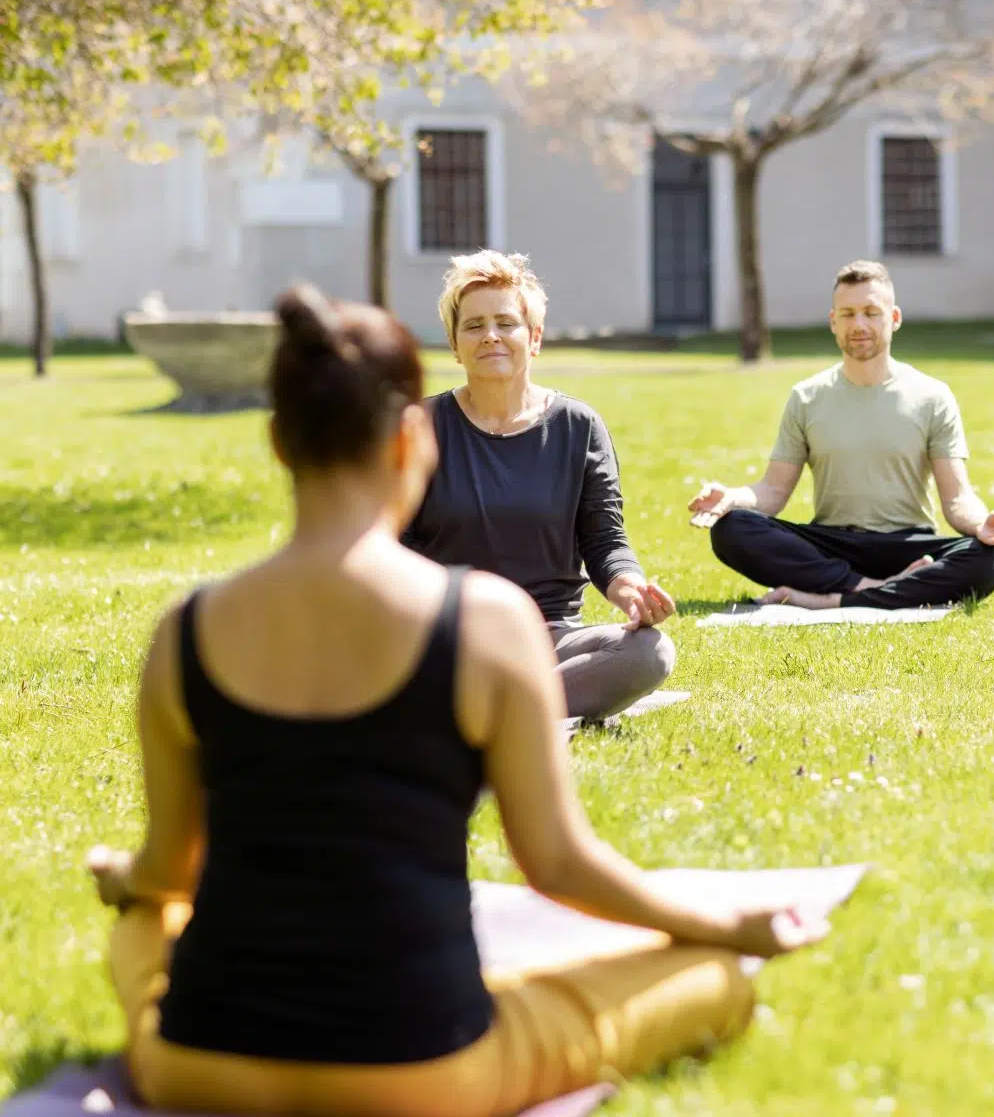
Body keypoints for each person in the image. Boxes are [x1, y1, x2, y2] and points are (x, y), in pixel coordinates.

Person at [83, 286, 824, 1117]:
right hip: (420, 1075)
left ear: (277, 442)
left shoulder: (183, 631)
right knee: (709, 979)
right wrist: (724, 925)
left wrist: (125, 877)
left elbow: (172, 870)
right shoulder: (482, 621)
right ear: (411, 441)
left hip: (197, 1065)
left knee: (145, 926)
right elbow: (558, 866)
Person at [401, 249, 676, 725]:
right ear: (453, 343)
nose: (491, 336)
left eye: (506, 323)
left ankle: (484, 712)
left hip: (548, 637)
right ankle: (520, 708)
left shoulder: (579, 427)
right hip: (448, 636)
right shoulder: (419, 428)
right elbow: (391, 547)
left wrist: (630, 587)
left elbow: (605, 542)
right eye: (474, 325)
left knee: (649, 653)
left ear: (534, 337)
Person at [687, 260, 994, 609]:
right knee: (730, 529)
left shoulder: (932, 396)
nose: (859, 324)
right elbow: (773, 492)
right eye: (848, 314)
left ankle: (827, 600)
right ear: (833, 322)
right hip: (832, 546)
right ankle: (874, 588)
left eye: (872, 312)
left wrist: (982, 524)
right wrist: (731, 498)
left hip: (907, 545)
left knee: (987, 560)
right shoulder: (807, 397)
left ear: (894, 318)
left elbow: (956, 498)